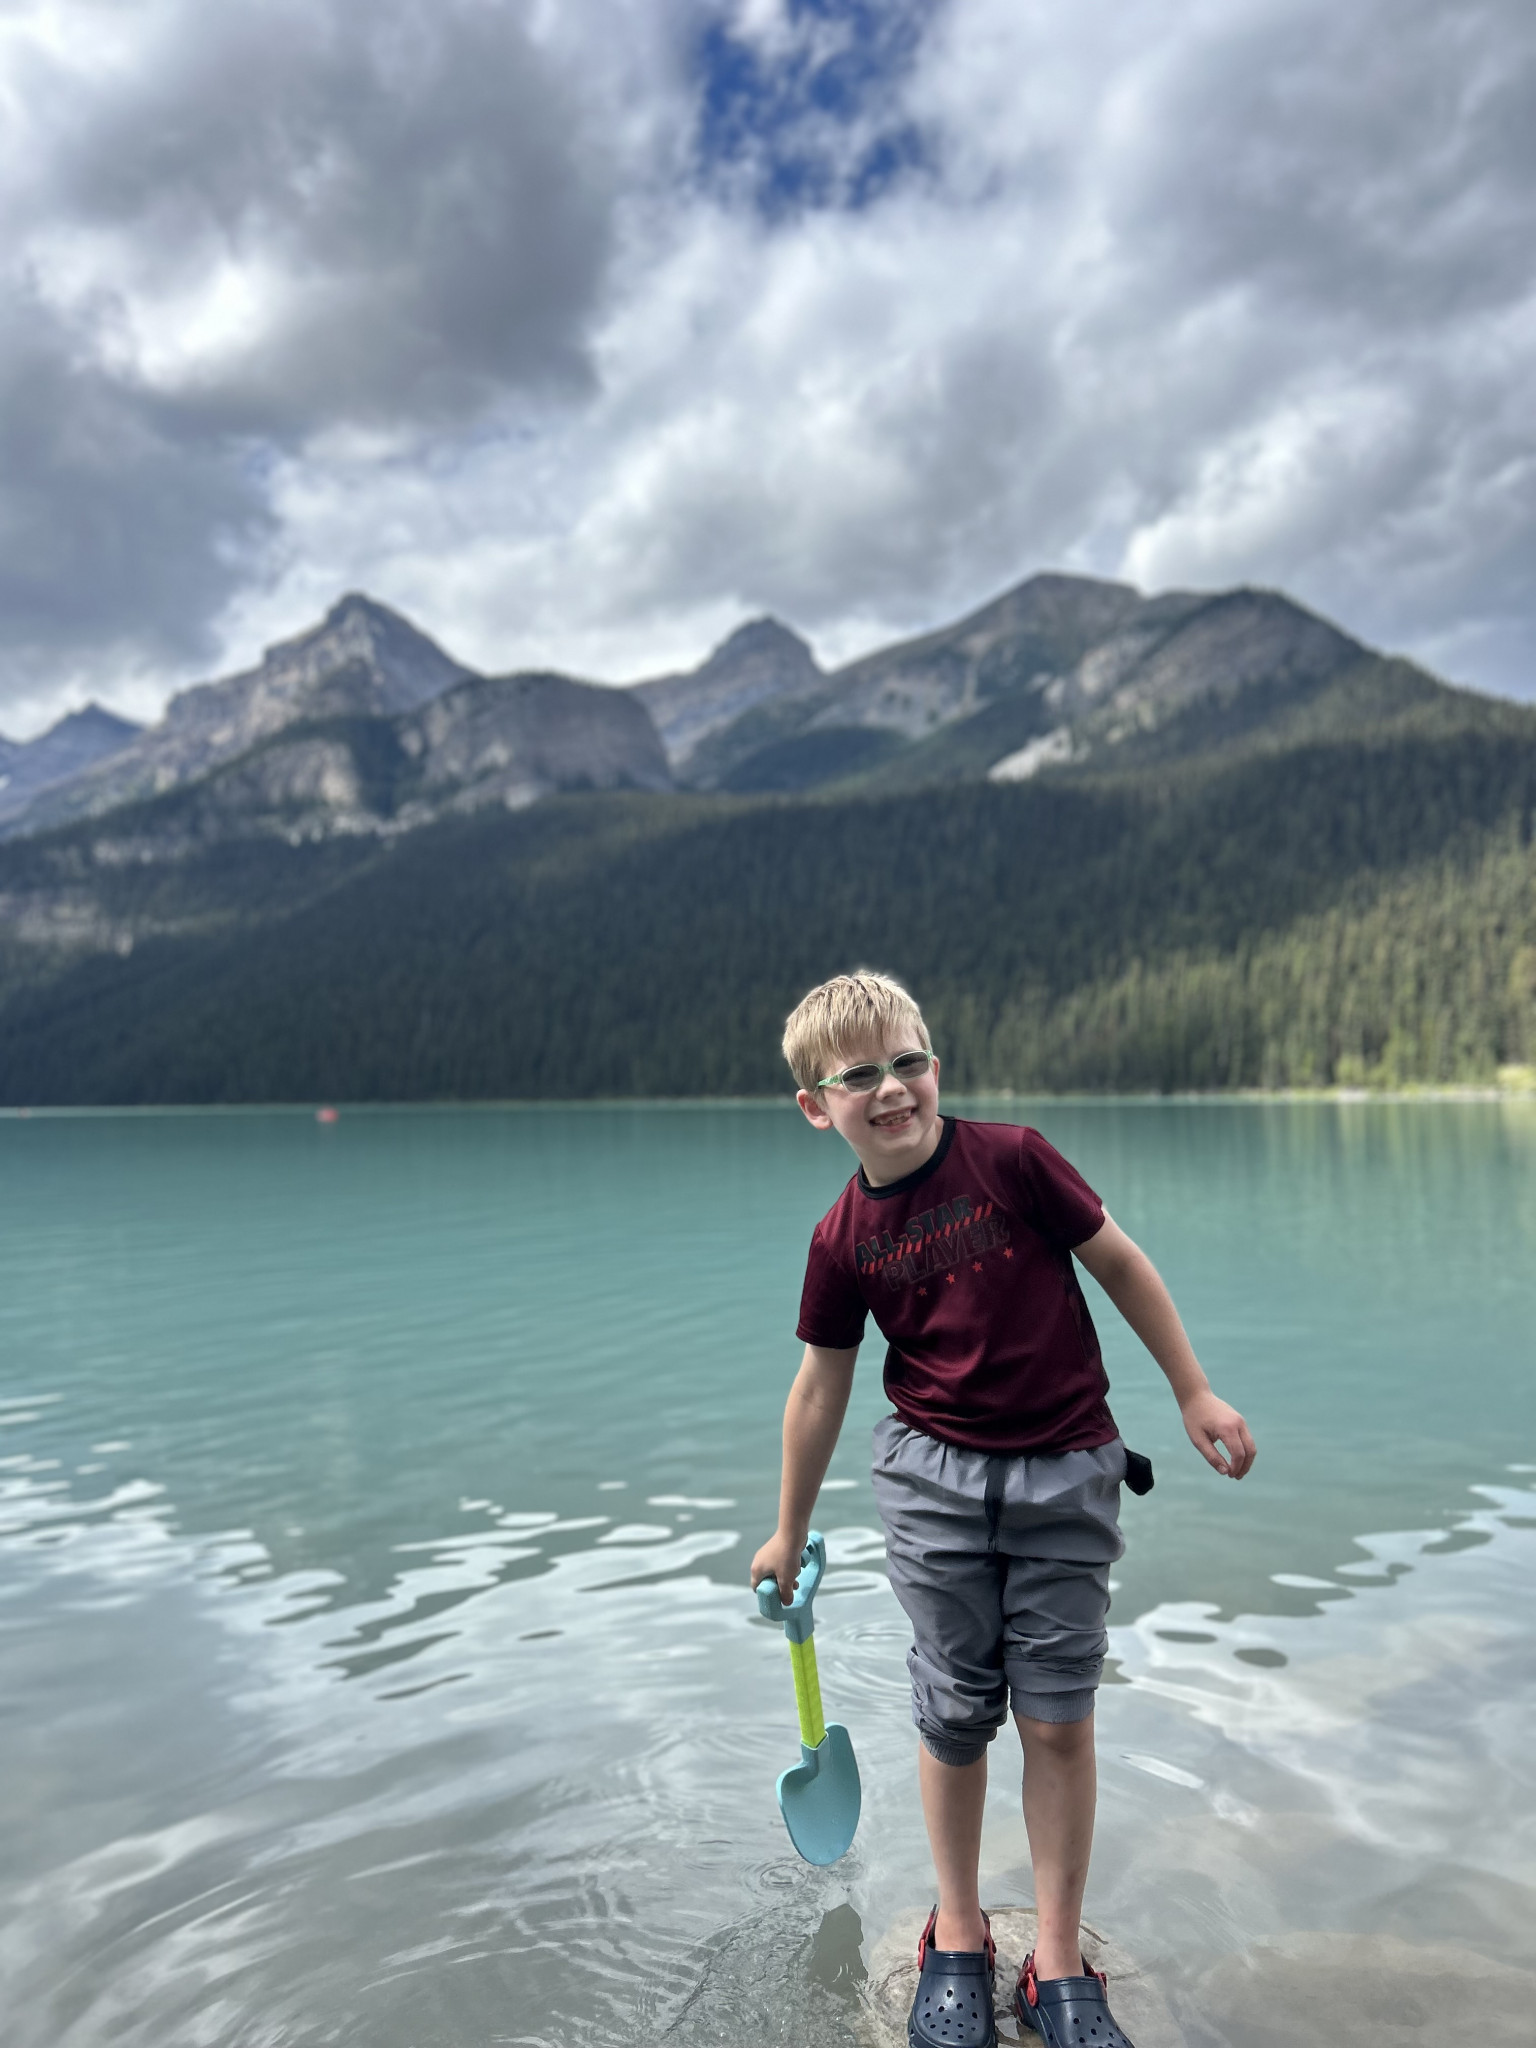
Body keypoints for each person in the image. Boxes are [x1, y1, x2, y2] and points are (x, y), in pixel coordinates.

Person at [749, 971, 1256, 2048]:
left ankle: (1057, 1958)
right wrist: (788, 1528)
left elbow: (1120, 1263)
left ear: (936, 1065)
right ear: (817, 1106)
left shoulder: (1015, 1159)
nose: (892, 1088)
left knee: (1059, 1716)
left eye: (908, 1062)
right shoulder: (841, 1239)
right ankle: (960, 1932)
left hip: (1065, 1470)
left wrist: (1193, 1389)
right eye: (860, 1075)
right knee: (953, 1716)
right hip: (932, 1488)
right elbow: (820, 1388)